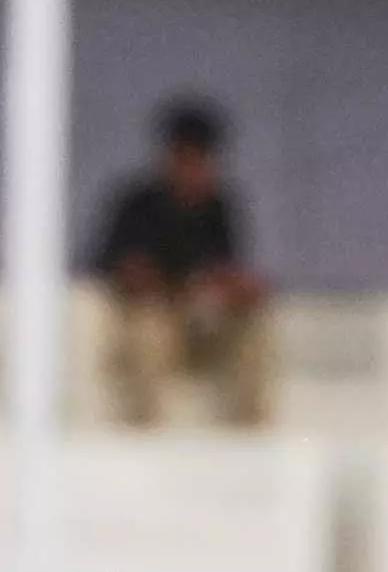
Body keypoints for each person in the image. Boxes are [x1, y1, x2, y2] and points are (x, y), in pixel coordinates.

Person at [92, 99, 266, 429]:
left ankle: (250, 428)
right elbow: (120, 270)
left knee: (251, 324)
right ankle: (143, 433)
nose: (193, 168)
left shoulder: (218, 207)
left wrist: (236, 288)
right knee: (149, 328)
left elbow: (225, 270)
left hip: (197, 322)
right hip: (145, 322)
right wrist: (160, 282)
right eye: (186, 158)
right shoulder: (137, 203)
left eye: (201, 159)